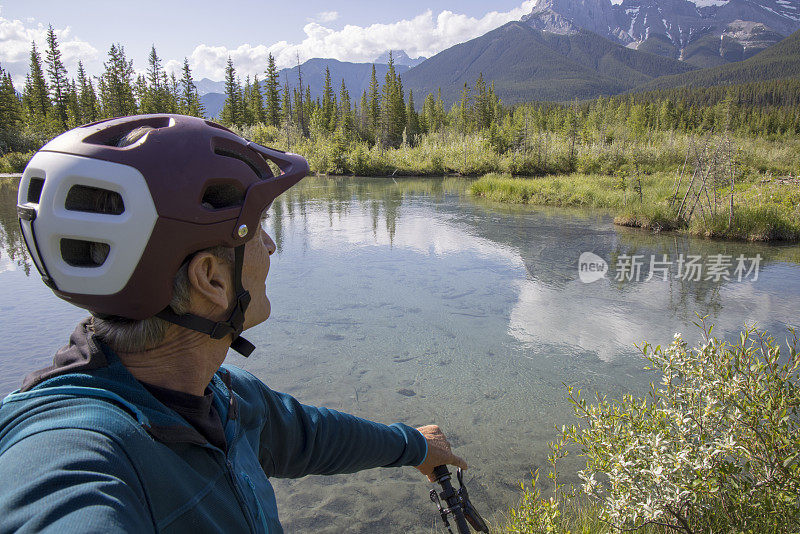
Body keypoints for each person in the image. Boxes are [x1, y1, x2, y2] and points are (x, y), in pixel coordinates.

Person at [0, 114, 466, 533]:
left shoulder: (222, 395)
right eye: (260, 227)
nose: (271, 245)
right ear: (211, 279)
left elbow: (310, 436)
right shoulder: (69, 454)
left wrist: (413, 445)